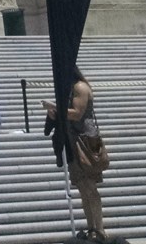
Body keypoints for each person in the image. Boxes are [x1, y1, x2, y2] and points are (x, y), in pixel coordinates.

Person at [43, 67, 107, 241]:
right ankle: (91, 227)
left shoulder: (80, 87)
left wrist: (55, 108)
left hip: (85, 142)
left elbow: (77, 114)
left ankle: (100, 229)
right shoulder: (69, 89)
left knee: (90, 187)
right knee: (82, 187)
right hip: (72, 143)